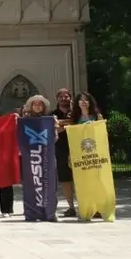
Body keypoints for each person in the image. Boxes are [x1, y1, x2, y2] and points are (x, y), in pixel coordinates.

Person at [52, 88, 76, 217]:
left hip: (78, 149)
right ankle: (71, 207)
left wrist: (61, 125)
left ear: (70, 98)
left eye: (66, 96)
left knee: (79, 179)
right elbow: (54, 129)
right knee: (65, 179)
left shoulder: (76, 113)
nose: (63, 98)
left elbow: (77, 124)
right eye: (60, 96)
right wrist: (69, 125)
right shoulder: (53, 114)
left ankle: (84, 204)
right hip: (60, 150)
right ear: (57, 99)